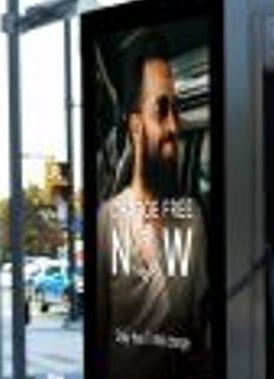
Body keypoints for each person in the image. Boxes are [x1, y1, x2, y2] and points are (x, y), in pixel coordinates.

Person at [97, 33, 209, 342]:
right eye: (162, 111)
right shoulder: (108, 220)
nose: (174, 126)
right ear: (135, 126)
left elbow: (199, 327)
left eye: (176, 109)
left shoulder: (192, 219)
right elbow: (99, 330)